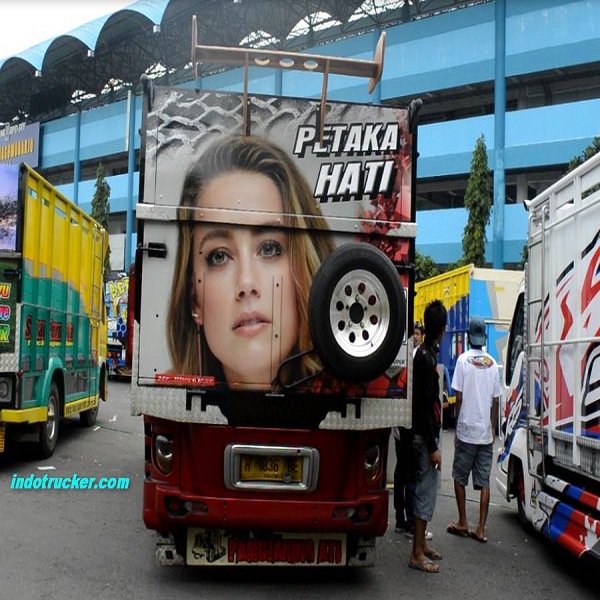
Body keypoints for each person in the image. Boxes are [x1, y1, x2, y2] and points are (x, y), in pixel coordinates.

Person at [167, 134, 335, 388]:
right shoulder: (170, 397)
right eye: (219, 256)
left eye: (269, 248)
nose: (246, 283)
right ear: (194, 299)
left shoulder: (360, 388)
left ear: (305, 266)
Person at [446, 316, 501, 544]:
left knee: (459, 477)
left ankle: (463, 522)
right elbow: (496, 400)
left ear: (469, 336)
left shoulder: (462, 361)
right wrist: (493, 426)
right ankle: (480, 528)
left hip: (467, 430)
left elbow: (458, 397)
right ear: (484, 337)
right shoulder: (492, 362)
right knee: (484, 481)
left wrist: (457, 427)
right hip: (485, 432)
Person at [408, 300, 447, 573]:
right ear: (442, 330)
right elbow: (423, 407)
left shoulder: (423, 354)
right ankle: (416, 553)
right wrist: (433, 445)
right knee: (424, 491)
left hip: (422, 435)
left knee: (424, 490)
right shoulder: (426, 359)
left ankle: (421, 545)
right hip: (424, 438)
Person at [393, 321, 432, 541]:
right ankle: (406, 521)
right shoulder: (414, 359)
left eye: (418, 334)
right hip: (405, 425)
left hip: (402, 423)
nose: (416, 337)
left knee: (403, 471)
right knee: (408, 474)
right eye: (414, 334)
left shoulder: (407, 357)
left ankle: (402, 519)